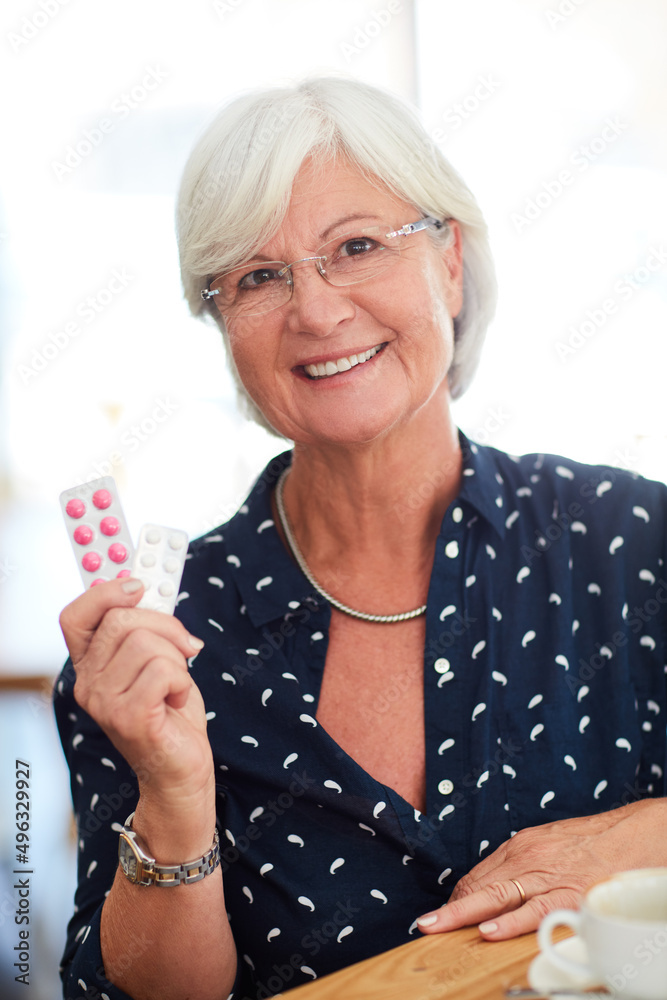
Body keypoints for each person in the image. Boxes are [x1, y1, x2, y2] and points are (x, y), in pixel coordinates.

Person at [55, 76, 667, 1000]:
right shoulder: (150, 656)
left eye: (355, 247)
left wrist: (643, 836)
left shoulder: (631, 541)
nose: (315, 308)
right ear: (221, 322)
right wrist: (174, 803)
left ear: (449, 262)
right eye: (259, 276)